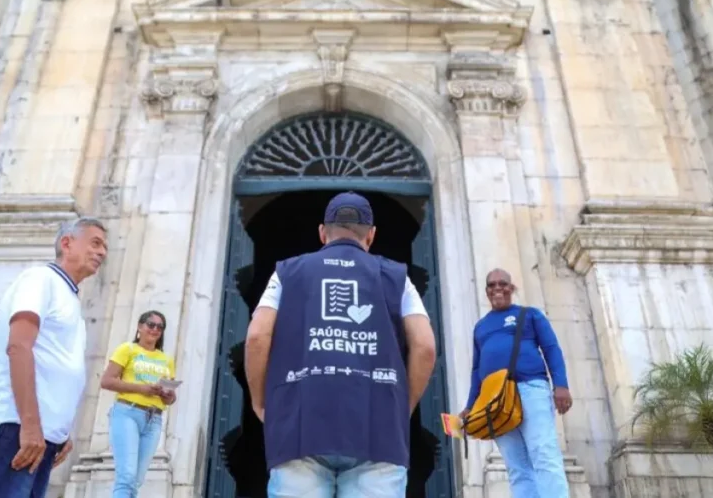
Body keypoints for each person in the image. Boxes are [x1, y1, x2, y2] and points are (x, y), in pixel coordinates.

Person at [244, 191, 438, 498]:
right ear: (371, 235)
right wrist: (402, 407)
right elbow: (425, 346)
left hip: (299, 427)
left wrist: (259, 401)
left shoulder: (287, 273)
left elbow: (256, 337)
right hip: (379, 430)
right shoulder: (397, 277)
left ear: (323, 232)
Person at [0, 217, 108, 498]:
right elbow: (19, 346)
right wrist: (30, 425)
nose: (102, 252)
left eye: (104, 247)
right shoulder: (40, 280)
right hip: (18, 428)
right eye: (95, 243)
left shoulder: (69, 298)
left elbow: (56, 365)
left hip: (43, 436)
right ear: (66, 243)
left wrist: (61, 431)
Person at [461, 268, 572, 498]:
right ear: (486, 291)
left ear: (511, 288)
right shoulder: (480, 327)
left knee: (544, 454)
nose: (497, 288)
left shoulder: (530, 315)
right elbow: (476, 370)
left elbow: (551, 348)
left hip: (531, 389)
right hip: (496, 401)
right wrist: (470, 406)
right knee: (516, 466)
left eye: (502, 284)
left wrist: (560, 385)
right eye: (492, 285)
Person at [100, 310, 178, 498]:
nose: (155, 329)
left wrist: (167, 394)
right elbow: (106, 381)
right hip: (128, 412)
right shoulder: (127, 349)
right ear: (139, 327)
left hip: (154, 419)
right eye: (151, 324)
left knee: (136, 480)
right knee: (126, 476)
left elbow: (171, 399)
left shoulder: (166, 359)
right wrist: (142, 389)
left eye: (160, 327)